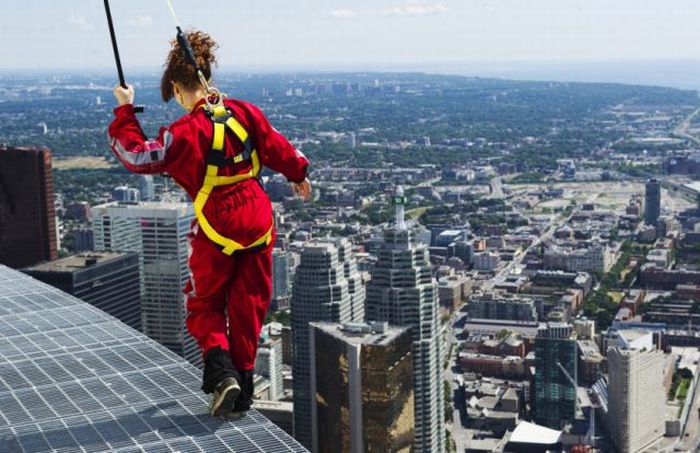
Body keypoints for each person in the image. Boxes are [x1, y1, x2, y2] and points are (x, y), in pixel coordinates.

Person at [108, 30, 311, 417]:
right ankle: (245, 387)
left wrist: (125, 110)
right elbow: (278, 146)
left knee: (204, 304)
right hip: (258, 219)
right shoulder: (246, 112)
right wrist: (298, 173)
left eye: (176, 96)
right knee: (249, 305)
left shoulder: (185, 131)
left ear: (178, 88)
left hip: (217, 225)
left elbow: (137, 156)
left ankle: (222, 376)